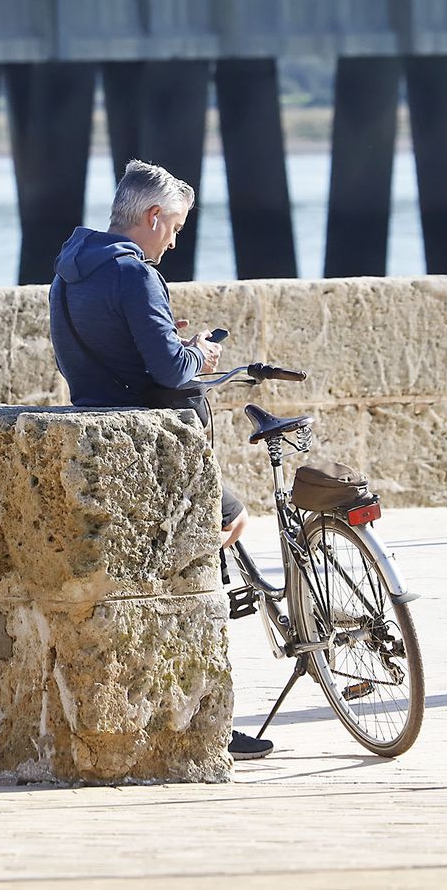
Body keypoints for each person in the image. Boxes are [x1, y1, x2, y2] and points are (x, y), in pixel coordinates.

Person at [47, 158, 273, 761]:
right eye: (173, 227)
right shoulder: (134, 274)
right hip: (157, 445)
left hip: (102, 431)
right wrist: (197, 350)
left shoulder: (70, 270)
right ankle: (207, 720)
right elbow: (171, 370)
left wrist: (162, 339)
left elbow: (88, 356)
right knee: (229, 523)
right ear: (151, 217)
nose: (172, 241)